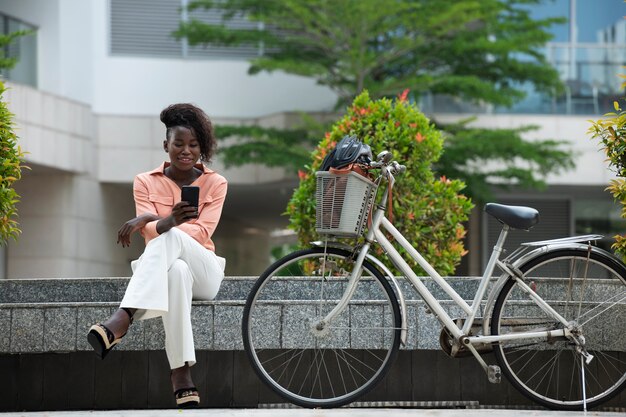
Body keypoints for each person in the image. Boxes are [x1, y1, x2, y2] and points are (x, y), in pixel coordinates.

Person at [87, 103, 227, 408]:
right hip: (169, 270)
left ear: (201, 147)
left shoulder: (216, 183)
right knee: (176, 271)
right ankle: (182, 375)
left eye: (193, 145)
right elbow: (152, 236)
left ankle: (123, 317)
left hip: (205, 271)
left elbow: (201, 234)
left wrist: (155, 220)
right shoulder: (145, 181)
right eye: (178, 144)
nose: (185, 151)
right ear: (166, 145)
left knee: (172, 239)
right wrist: (164, 221)